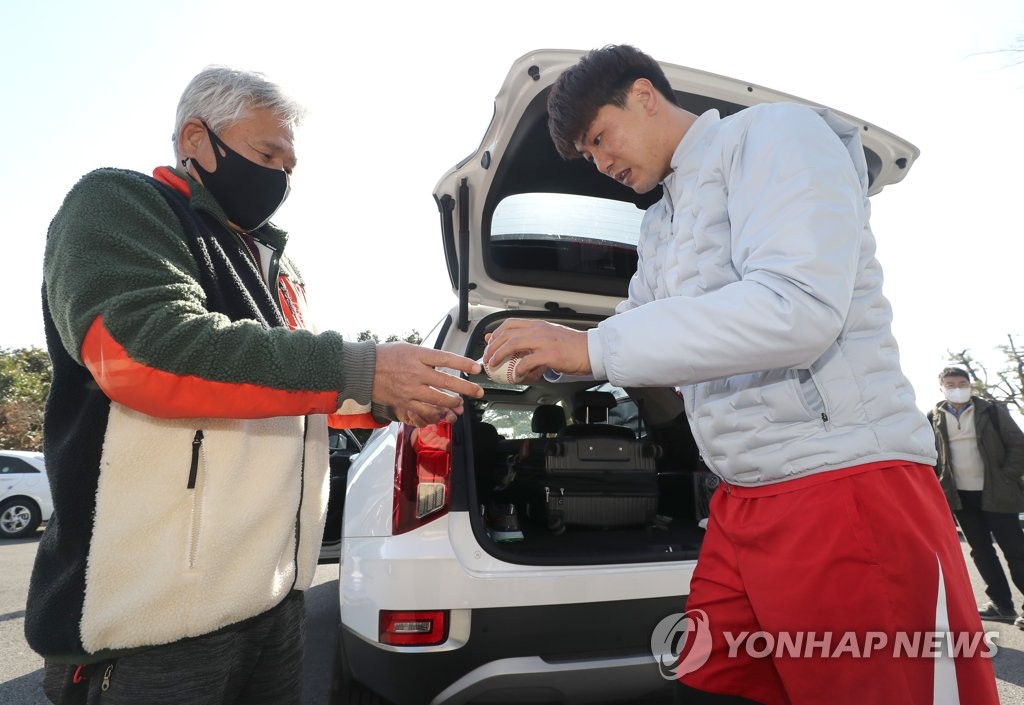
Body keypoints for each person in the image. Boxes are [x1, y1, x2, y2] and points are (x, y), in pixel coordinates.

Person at [483, 45, 998, 704]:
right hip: (741, 500)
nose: (601, 162)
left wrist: (593, 348)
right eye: (588, 155)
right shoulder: (662, 224)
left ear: (644, 94)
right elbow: (633, 335)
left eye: (600, 138)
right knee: (712, 682)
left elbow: (798, 308)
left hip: (841, 483)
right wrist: (496, 366)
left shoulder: (775, 136)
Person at [27, 65, 482, 705]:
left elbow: (291, 395)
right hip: (152, 628)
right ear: (196, 138)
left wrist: (386, 398)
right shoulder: (120, 204)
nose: (280, 178)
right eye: (268, 154)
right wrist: (366, 368)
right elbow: (143, 351)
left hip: (273, 604)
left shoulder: (275, 261)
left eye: (290, 166)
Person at [929, 366, 1024, 627]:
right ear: (941, 388)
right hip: (961, 498)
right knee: (981, 552)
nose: (957, 387)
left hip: (997, 493)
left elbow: (1018, 444)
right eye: (950, 384)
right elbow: (931, 456)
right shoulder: (933, 418)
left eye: (961, 382)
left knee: (1016, 550)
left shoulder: (991, 411)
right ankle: (1002, 606)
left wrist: (1005, 476)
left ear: (970, 385)